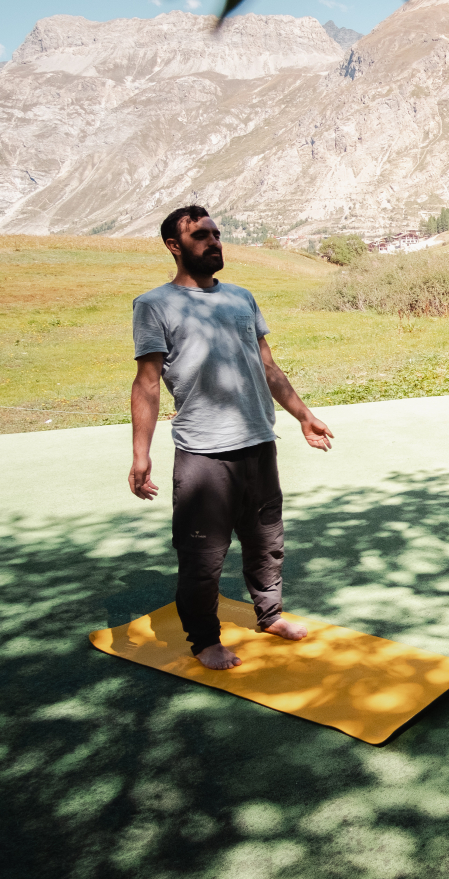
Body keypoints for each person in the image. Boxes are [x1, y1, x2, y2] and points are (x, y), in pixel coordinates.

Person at [128, 205, 334, 671]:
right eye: (202, 235)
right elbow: (146, 382)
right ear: (174, 246)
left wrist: (304, 416)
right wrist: (140, 453)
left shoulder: (242, 298)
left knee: (267, 541)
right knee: (202, 554)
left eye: (218, 233)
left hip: (259, 442)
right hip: (204, 454)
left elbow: (267, 366)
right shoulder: (154, 304)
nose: (214, 241)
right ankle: (204, 640)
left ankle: (270, 615)